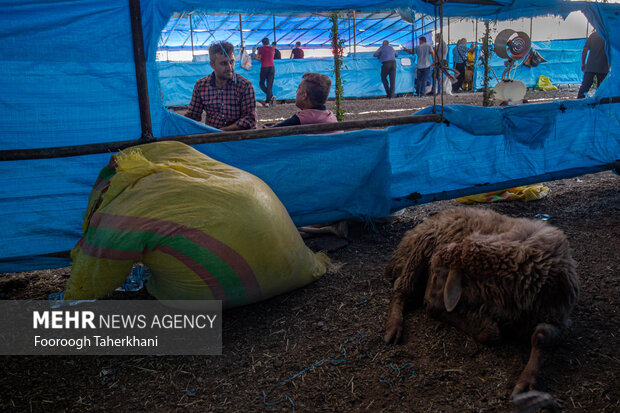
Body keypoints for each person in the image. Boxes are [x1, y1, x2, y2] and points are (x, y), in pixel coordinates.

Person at [185, 41, 256, 131]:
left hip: (238, 139)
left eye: (232, 62)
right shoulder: (201, 86)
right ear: (212, 65)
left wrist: (220, 132)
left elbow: (250, 119)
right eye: (223, 63)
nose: (230, 67)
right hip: (213, 140)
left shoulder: (244, 86)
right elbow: (192, 116)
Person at [272, 72, 337, 127]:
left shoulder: (299, 120)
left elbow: (269, 133)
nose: (296, 91)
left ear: (304, 96)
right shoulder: (332, 118)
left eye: (299, 88)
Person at [578, 30, 609, 99]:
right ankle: (600, 105)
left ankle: (578, 104)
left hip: (590, 67)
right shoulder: (608, 36)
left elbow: (585, 50)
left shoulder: (593, 35)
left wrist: (583, 63)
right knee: (601, 90)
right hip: (603, 68)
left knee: (584, 87)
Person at [257, 37, 276, 106]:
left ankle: (271, 96)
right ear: (269, 42)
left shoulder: (260, 49)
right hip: (271, 67)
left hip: (264, 67)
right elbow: (272, 56)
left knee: (261, 83)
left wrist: (261, 58)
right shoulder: (272, 48)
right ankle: (267, 102)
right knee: (269, 85)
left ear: (262, 43)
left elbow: (257, 57)